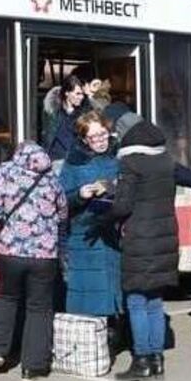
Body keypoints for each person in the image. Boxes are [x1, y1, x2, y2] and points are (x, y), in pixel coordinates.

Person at [110, 120, 191, 380]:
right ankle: (157, 359)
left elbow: (122, 206)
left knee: (136, 301)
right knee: (154, 301)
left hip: (139, 240)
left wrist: (104, 213)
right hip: (165, 240)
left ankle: (141, 360)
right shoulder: (166, 162)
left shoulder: (130, 164)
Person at [0, 141, 67, 380]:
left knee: (6, 299)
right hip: (44, 255)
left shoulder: (5, 174)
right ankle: (33, 365)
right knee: (39, 307)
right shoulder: (51, 179)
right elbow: (63, 213)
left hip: (10, 252)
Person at [60, 111, 122, 328]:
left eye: (103, 134)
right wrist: (80, 195)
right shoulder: (73, 163)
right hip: (84, 236)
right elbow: (60, 199)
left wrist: (114, 186)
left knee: (115, 284)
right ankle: (92, 339)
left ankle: (114, 332)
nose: (100, 141)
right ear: (84, 139)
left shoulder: (118, 155)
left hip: (114, 232)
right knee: (90, 291)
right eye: (94, 137)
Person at [42, 74, 92, 161]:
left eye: (83, 94)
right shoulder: (54, 113)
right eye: (77, 94)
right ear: (67, 93)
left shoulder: (85, 113)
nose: (81, 97)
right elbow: (47, 136)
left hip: (77, 159)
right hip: (55, 158)